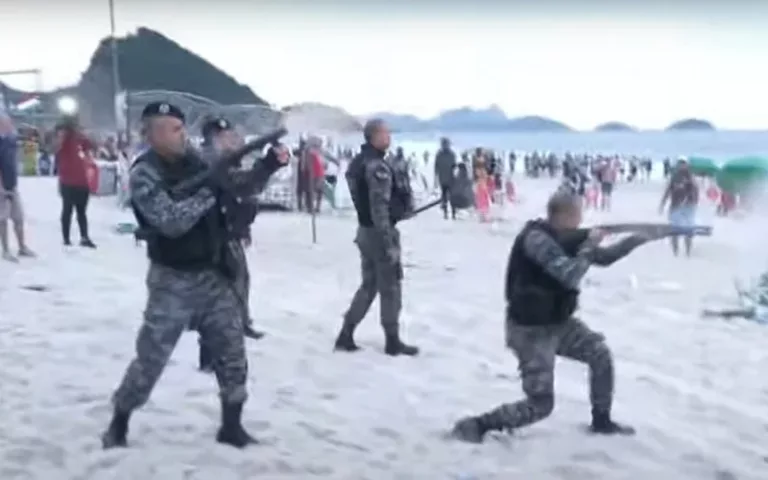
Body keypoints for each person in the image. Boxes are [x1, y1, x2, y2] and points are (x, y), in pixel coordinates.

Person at [101, 102, 286, 450]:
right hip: (172, 281)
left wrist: (268, 165)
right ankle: (119, 422)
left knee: (233, 353)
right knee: (151, 360)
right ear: (151, 134)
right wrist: (208, 191)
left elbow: (239, 186)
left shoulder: (200, 161)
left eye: (182, 127)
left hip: (213, 274)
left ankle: (231, 426)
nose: (181, 134)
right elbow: (171, 221)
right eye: (172, 129)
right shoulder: (145, 173)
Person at [451, 191, 653, 443]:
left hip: (557, 322)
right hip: (530, 331)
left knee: (599, 354)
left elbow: (602, 258)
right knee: (541, 405)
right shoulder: (536, 239)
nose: (581, 220)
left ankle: (601, 421)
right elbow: (569, 274)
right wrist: (591, 244)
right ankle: (478, 425)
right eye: (579, 214)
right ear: (567, 215)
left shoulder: (563, 238)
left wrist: (635, 241)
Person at [196, 117, 288, 370]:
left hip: (229, 232)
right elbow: (241, 183)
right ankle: (210, 356)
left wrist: (243, 227)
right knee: (219, 297)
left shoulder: (226, 159)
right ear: (213, 138)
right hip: (213, 237)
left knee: (239, 283)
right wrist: (268, 163)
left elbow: (247, 192)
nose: (232, 139)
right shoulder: (211, 160)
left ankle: (240, 326)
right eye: (225, 136)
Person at [333, 118, 418, 356]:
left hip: (364, 230)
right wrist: (388, 238)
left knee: (369, 286)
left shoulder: (359, 162)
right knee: (390, 287)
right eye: (385, 133)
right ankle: (393, 340)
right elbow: (378, 207)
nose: (389, 137)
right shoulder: (377, 166)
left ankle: (346, 333)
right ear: (373, 137)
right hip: (379, 232)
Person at [54, 116, 96, 248]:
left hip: (81, 181)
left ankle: (84, 237)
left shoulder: (81, 139)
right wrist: (63, 132)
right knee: (67, 209)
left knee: (81, 211)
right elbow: (55, 146)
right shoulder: (64, 138)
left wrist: (83, 134)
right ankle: (66, 238)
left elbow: (90, 146)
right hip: (67, 181)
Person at [0, 114, 34, 261]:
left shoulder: (10, 140)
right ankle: (6, 250)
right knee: (3, 219)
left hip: (12, 184)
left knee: (18, 217)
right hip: (2, 185)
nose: (10, 125)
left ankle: (22, 246)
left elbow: (23, 138)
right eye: (7, 123)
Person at [659, 157, 699, 256]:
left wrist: (694, 204)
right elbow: (667, 191)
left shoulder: (691, 177)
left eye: (683, 163)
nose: (681, 165)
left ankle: (688, 252)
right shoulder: (674, 177)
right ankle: (675, 252)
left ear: (687, 165)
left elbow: (696, 192)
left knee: (688, 231)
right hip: (675, 207)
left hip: (688, 207)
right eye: (680, 163)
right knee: (674, 232)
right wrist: (662, 204)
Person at [434, 137, 457, 219]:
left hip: (451, 180)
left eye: (446, 144)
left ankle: (453, 214)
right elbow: (436, 167)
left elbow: (455, 167)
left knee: (452, 198)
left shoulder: (452, 154)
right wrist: (435, 180)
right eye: (444, 144)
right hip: (443, 179)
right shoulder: (439, 154)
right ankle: (445, 213)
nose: (445, 146)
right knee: (444, 198)